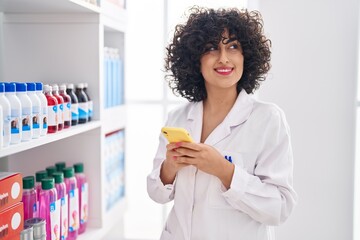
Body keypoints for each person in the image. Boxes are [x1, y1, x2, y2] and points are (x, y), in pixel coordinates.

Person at [147, 6, 297, 240]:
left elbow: (279, 208)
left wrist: (223, 170)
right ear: (195, 59)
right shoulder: (178, 118)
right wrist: (170, 167)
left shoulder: (268, 119)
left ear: (247, 56)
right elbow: (157, 194)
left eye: (233, 47)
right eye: (211, 48)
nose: (223, 58)